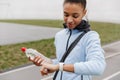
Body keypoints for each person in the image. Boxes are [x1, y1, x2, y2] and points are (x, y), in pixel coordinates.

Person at [29, 0, 106, 80]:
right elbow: (62, 62)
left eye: (75, 16)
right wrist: (45, 63)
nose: (69, 20)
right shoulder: (59, 36)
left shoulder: (90, 37)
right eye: (66, 14)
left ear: (84, 13)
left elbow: (98, 66)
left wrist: (59, 67)